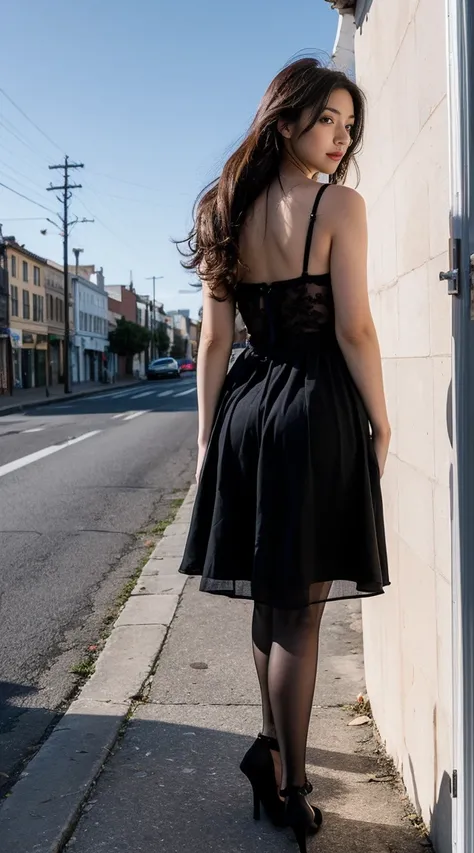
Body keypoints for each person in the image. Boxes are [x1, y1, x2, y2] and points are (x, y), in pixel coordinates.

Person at [178, 57, 390, 852]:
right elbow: (354, 329)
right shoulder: (340, 206)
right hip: (312, 409)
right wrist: (383, 420)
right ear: (287, 118)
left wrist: (206, 437)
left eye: (348, 124)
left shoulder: (222, 207)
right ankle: (294, 789)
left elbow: (214, 340)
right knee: (301, 610)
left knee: (274, 595)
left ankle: (273, 752)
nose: (340, 137)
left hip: (245, 410)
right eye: (328, 119)